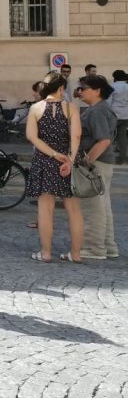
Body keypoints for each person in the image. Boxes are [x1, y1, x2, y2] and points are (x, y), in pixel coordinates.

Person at [25, 70, 83, 263]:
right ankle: (75, 254)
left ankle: (46, 252)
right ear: (61, 88)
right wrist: (69, 160)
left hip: (44, 161)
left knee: (45, 209)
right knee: (73, 210)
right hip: (67, 161)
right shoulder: (71, 108)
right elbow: (76, 136)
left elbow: (32, 137)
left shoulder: (35, 108)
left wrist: (53, 155)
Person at [77, 75, 118, 261]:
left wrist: (87, 162)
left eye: (83, 88)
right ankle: (109, 247)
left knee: (93, 207)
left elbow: (104, 140)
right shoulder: (101, 109)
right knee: (103, 206)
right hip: (104, 162)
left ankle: (95, 248)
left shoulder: (97, 111)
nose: (80, 91)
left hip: (96, 163)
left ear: (97, 90)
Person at [110, 70, 128, 165]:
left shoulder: (112, 86)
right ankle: (123, 157)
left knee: (109, 135)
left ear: (115, 77)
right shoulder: (127, 86)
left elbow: (108, 100)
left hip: (114, 114)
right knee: (122, 137)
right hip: (125, 115)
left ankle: (107, 157)